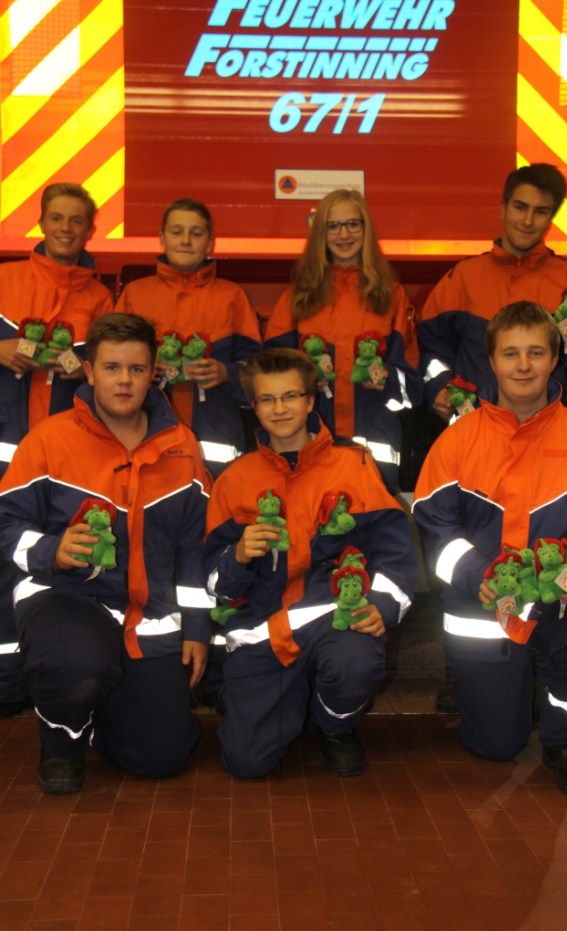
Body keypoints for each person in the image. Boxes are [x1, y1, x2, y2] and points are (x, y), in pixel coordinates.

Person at [413, 301, 567, 797]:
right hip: (483, 601)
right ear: (491, 361)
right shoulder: (457, 441)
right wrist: (478, 577)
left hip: (562, 597)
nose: (523, 365)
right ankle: (513, 692)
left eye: (536, 352)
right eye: (511, 353)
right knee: (496, 745)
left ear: (555, 358)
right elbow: (437, 533)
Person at [0, 313, 212, 794]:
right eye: (112, 368)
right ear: (89, 371)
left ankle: (97, 715)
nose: (124, 380)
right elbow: (6, 523)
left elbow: (193, 551)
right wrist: (51, 550)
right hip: (66, 597)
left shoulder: (182, 447)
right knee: (76, 668)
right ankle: (63, 740)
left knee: (163, 756)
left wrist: (198, 629)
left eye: (136, 369)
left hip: (148, 615)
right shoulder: (50, 439)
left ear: (153, 372)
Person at [204, 347, 416, 779]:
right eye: (267, 399)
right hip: (264, 628)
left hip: (334, 617)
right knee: (246, 764)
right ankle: (280, 696)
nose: (280, 408)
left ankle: (335, 725)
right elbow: (213, 583)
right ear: (253, 406)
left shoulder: (353, 464)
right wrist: (238, 556)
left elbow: (396, 550)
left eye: (290, 396)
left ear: (310, 399)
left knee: (355, 664)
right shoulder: (233, 479)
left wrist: (382, 605)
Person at [0, 182, 113, 719]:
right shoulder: (5, 279)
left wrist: (82, 368)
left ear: (90, 229)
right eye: (57, 218)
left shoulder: (102, 298)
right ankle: (6, 682)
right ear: (41, 222)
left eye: (77, 221)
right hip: (6, 446)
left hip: (65, 457)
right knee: (5, 556)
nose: (66, 228)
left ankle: (45, 668)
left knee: (52, 557)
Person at [418, 163, 567, 421]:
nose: (528, 221)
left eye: (540, 211)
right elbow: (430, 346)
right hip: (476, 427)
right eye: (520, 207)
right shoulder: (463, 277)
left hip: (549, 429)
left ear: (550, 219)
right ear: (503, 209)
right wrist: (439, 387)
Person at [264, 189, 421, 494]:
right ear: (320, 233)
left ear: (366, 229)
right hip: (308, 442)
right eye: (333, 226)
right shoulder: (297, 297)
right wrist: (304, 379)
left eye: (353, 224)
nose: (344, 234)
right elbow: (270, 377)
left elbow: (413, 388)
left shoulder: (392, 296)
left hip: (375, 448)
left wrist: (387, 379)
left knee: (373, 522)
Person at [115, 197, 262, 479]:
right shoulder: (135, 294)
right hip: (143, 431)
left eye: (196, 233)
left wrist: (227, 372)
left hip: (217, 443)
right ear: (162, 239)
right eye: (176, 232)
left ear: (210, 243)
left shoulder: (232, 296)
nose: (185, 240)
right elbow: (110, 362)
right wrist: (141, 369)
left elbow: (258, 370)